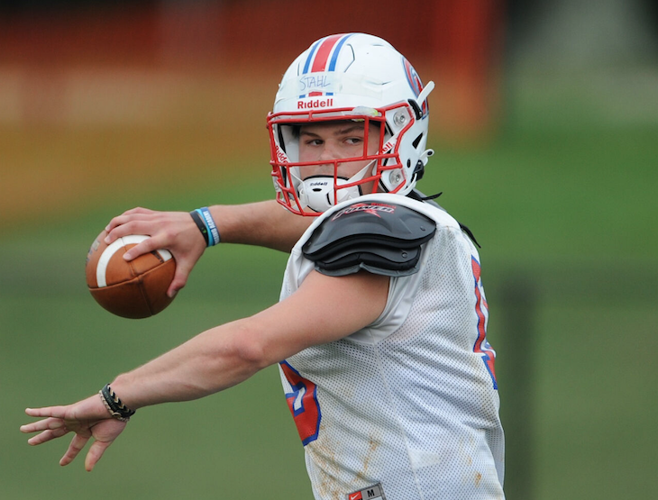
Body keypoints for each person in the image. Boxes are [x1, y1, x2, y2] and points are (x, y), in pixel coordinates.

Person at [21, 33, 505, 499]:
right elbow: (318, 223)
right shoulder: (411, 220)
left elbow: (247, 347)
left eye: (349, 137)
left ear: (403, 131)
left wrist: (119, 395)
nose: (325, 161)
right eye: (311, 141)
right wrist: (206, 225)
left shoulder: (383, 237)